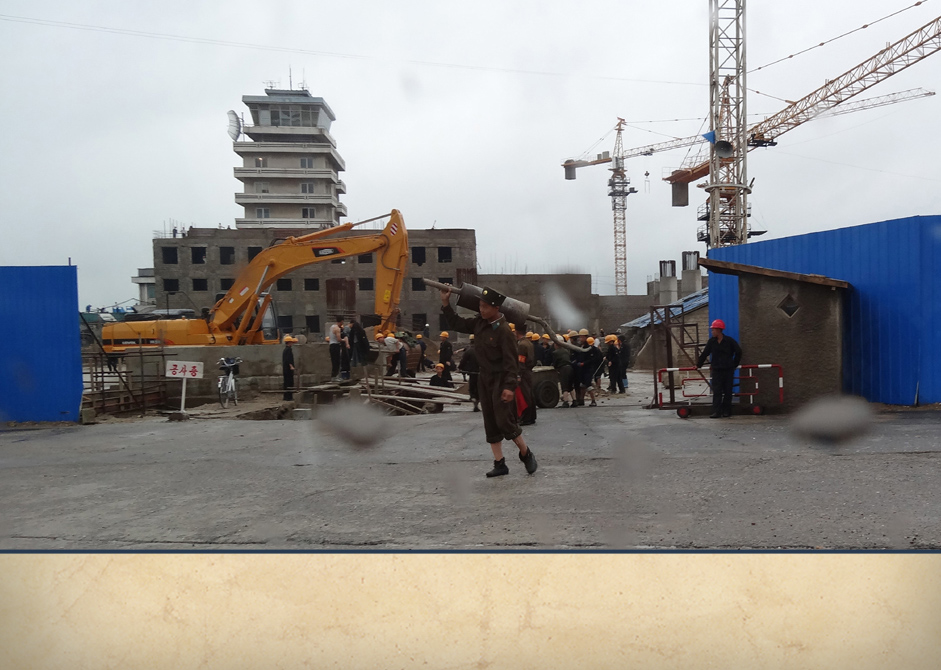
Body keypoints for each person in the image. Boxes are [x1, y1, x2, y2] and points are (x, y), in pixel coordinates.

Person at [441, 286, 537, 477]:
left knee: (505, 421)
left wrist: (509, 387)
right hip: (484, 378)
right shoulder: (479, 323)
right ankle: (500, 463)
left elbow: (512, 363)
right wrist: (446, 304)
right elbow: (456, 323)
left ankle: (526, 454)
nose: (481, 310)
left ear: (496, 308)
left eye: (485, 307)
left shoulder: (504, 331)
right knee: (490, 422)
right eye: (480, 306)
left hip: (501, 380)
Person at [696, 318, 743, 418]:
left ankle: (726, 411)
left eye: (713, 330)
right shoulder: (711, 342)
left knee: (728, 391)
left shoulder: (729, 341)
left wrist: (734, 364)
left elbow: (738, 352)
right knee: (717, 391)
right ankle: (716, 411)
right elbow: (705, 353)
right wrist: (698, 365)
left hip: (728, 370)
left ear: (718, 330)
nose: (712, 331)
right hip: (717, 370)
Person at [515, 323, 537, 426]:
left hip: (524, 372)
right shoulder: (529, 343)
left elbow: (521, 361)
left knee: (525, 395)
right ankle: (532, 416)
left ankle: (526, 418)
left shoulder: (521, 345)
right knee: (530, 394)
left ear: (516, 332)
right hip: (529, 371)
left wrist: (519, 374)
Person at [551, 335, 575, 408]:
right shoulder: (566, 351)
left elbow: (555, 363)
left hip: (563, 369)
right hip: (570, 368)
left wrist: (554, 368)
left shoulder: (555, 352)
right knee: (570, 386)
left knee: (564, 386)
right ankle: (575, 400)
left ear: (556, 344)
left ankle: (565, 402)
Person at [458, 334, 480, 411]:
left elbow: (463, 361)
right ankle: (478, 400)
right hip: (481, 373)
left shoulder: (468, 351)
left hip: (472, 372)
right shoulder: (482, 350)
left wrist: (460, 368)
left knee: (472, 387)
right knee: (479, 388)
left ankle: (473, 398)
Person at [328, 317, 346, 381]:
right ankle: (335, 376)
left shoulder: (332, 327)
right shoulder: (337, 329)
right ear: (341, 321)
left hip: (331, 345)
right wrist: (344, 340)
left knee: (334, 361)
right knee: (337, 361)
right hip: (336, 345)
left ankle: (333, 376)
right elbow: (339, 339)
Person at [282, 335, 297, 400]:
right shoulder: (288, 350)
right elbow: (288, 359)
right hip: (288, 369)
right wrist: (291, 366)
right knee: (289, 382)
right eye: (291, 342)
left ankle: (286, 396)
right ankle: (289, 397)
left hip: (285, 369)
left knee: (286, 382)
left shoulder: (285, 350)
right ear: (289, 342)